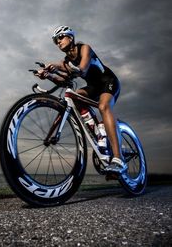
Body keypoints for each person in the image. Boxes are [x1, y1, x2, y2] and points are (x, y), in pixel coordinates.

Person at [36, 25, 127, 174]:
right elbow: (64, 82)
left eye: (60, 37)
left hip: (108, 82)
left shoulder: (85, 48)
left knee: (103, 107)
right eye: (55, 41)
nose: (58, 42)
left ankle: (119, 159)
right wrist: (49, 75)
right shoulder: (66, 61)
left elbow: (83, 68)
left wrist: (58, 67)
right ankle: (99, 131)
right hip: (93, 86)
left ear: (70, 37)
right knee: (74, 97)